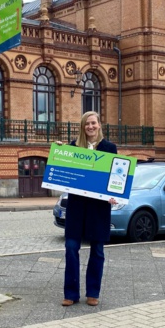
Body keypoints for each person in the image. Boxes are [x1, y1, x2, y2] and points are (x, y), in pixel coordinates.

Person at [60, 111, 117, 307]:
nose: (90, 127)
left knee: (98, 250)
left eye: (93, 123)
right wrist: (60, 154)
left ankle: (93, 292)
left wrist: (114, 195)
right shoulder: (74, 147)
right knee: (71, 248)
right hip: (77, 206)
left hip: (99, 207)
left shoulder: (109, 148)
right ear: (83, 127)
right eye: (87, 124)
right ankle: (71, 293)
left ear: (100, 125)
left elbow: (115, 176)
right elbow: (62, 171)